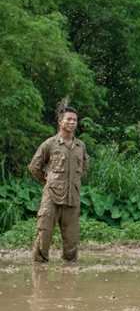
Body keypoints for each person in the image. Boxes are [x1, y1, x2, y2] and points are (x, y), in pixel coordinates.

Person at [29, 107, 89, 262]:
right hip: (52, 196)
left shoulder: (80, 146)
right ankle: (39, 272)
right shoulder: (49, 144)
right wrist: (48, 180)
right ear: (60, 121)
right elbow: (34, 166)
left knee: (71, 242)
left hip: (72, 198)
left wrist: (72, 181)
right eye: (68, 119)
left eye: (74, 120)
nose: (72, 122)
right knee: (44, 234)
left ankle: (69, 276)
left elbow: (84, 166)